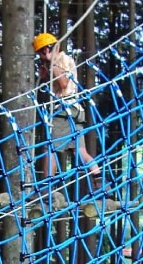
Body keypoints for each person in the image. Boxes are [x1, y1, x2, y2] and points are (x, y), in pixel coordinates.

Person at [33, 32, 100, 178]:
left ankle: (46, 189)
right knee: (80, 151)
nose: (41, 58)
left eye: (40, 54)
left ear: (45, 50)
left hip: (63, 111)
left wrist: (51, 63)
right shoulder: (63, 60)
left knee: (49, 148)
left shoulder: (60, 60)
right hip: (74, 109)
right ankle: (99, 181)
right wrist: (46, 74)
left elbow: (64, 83)